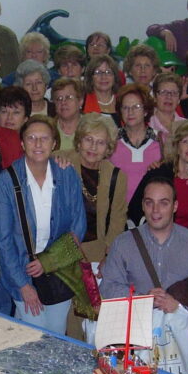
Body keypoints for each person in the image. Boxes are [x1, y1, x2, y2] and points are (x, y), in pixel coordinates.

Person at [100, 176, 188, 374]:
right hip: (136, 344)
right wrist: (142, 299)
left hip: (187, 346)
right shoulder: (124, 244)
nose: (155, 210)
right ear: (142, 206)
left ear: (175, 206)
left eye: (163, 203)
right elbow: (108, 288)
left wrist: (180, 306)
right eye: (149, 203)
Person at [0, 115, 86, 334]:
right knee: (36, 336)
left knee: (56, 334)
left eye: (44, 138)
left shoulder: (67, 174)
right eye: (31, 138)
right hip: (22, 272)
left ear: (54, 143)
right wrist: (22, 285)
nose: (38, 144)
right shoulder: (7, 181)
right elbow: (4, 241)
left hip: (60, 270)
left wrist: (49, 260)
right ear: (22, 143)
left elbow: (78, 225)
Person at [128, 121, 188, 253]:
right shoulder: (157, 174)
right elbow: (135, 210)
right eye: (185, 141)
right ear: (177, 146)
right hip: (154, 245)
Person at [62, 113, 127, 264]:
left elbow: (117, 221)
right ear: (79, 141)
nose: (93, 147)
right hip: (62, 252)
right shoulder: (61, 162)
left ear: (108, 148)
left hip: (97, 254)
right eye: (88, 139)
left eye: (100, 142)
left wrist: (109, 257)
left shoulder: (117, 176)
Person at [109, 83, 160, 197]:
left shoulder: (161, 140)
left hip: (151, 206)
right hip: (118, 206)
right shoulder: (110, 140)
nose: (130, 112)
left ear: (145, 110)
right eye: (125, 107)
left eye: (136, 107)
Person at [83, 54, 120, 119]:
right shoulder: (82, 101)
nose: (103, 77)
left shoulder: (122, 100)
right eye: (98, 72)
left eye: (108, 72)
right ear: (91, 77)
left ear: (115, 77)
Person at [51, 78, 83, 151]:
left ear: (80, 101)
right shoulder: (48, 129)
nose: (63, 102)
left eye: (69, 97)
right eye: (59, 98)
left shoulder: (92, 127)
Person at [150, 72, 184, 138]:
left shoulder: (187, 126)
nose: (169, 97)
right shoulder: (146, 124)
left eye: (174, 93)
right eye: (163, 92)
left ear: (179, 99)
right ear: (154, 97)